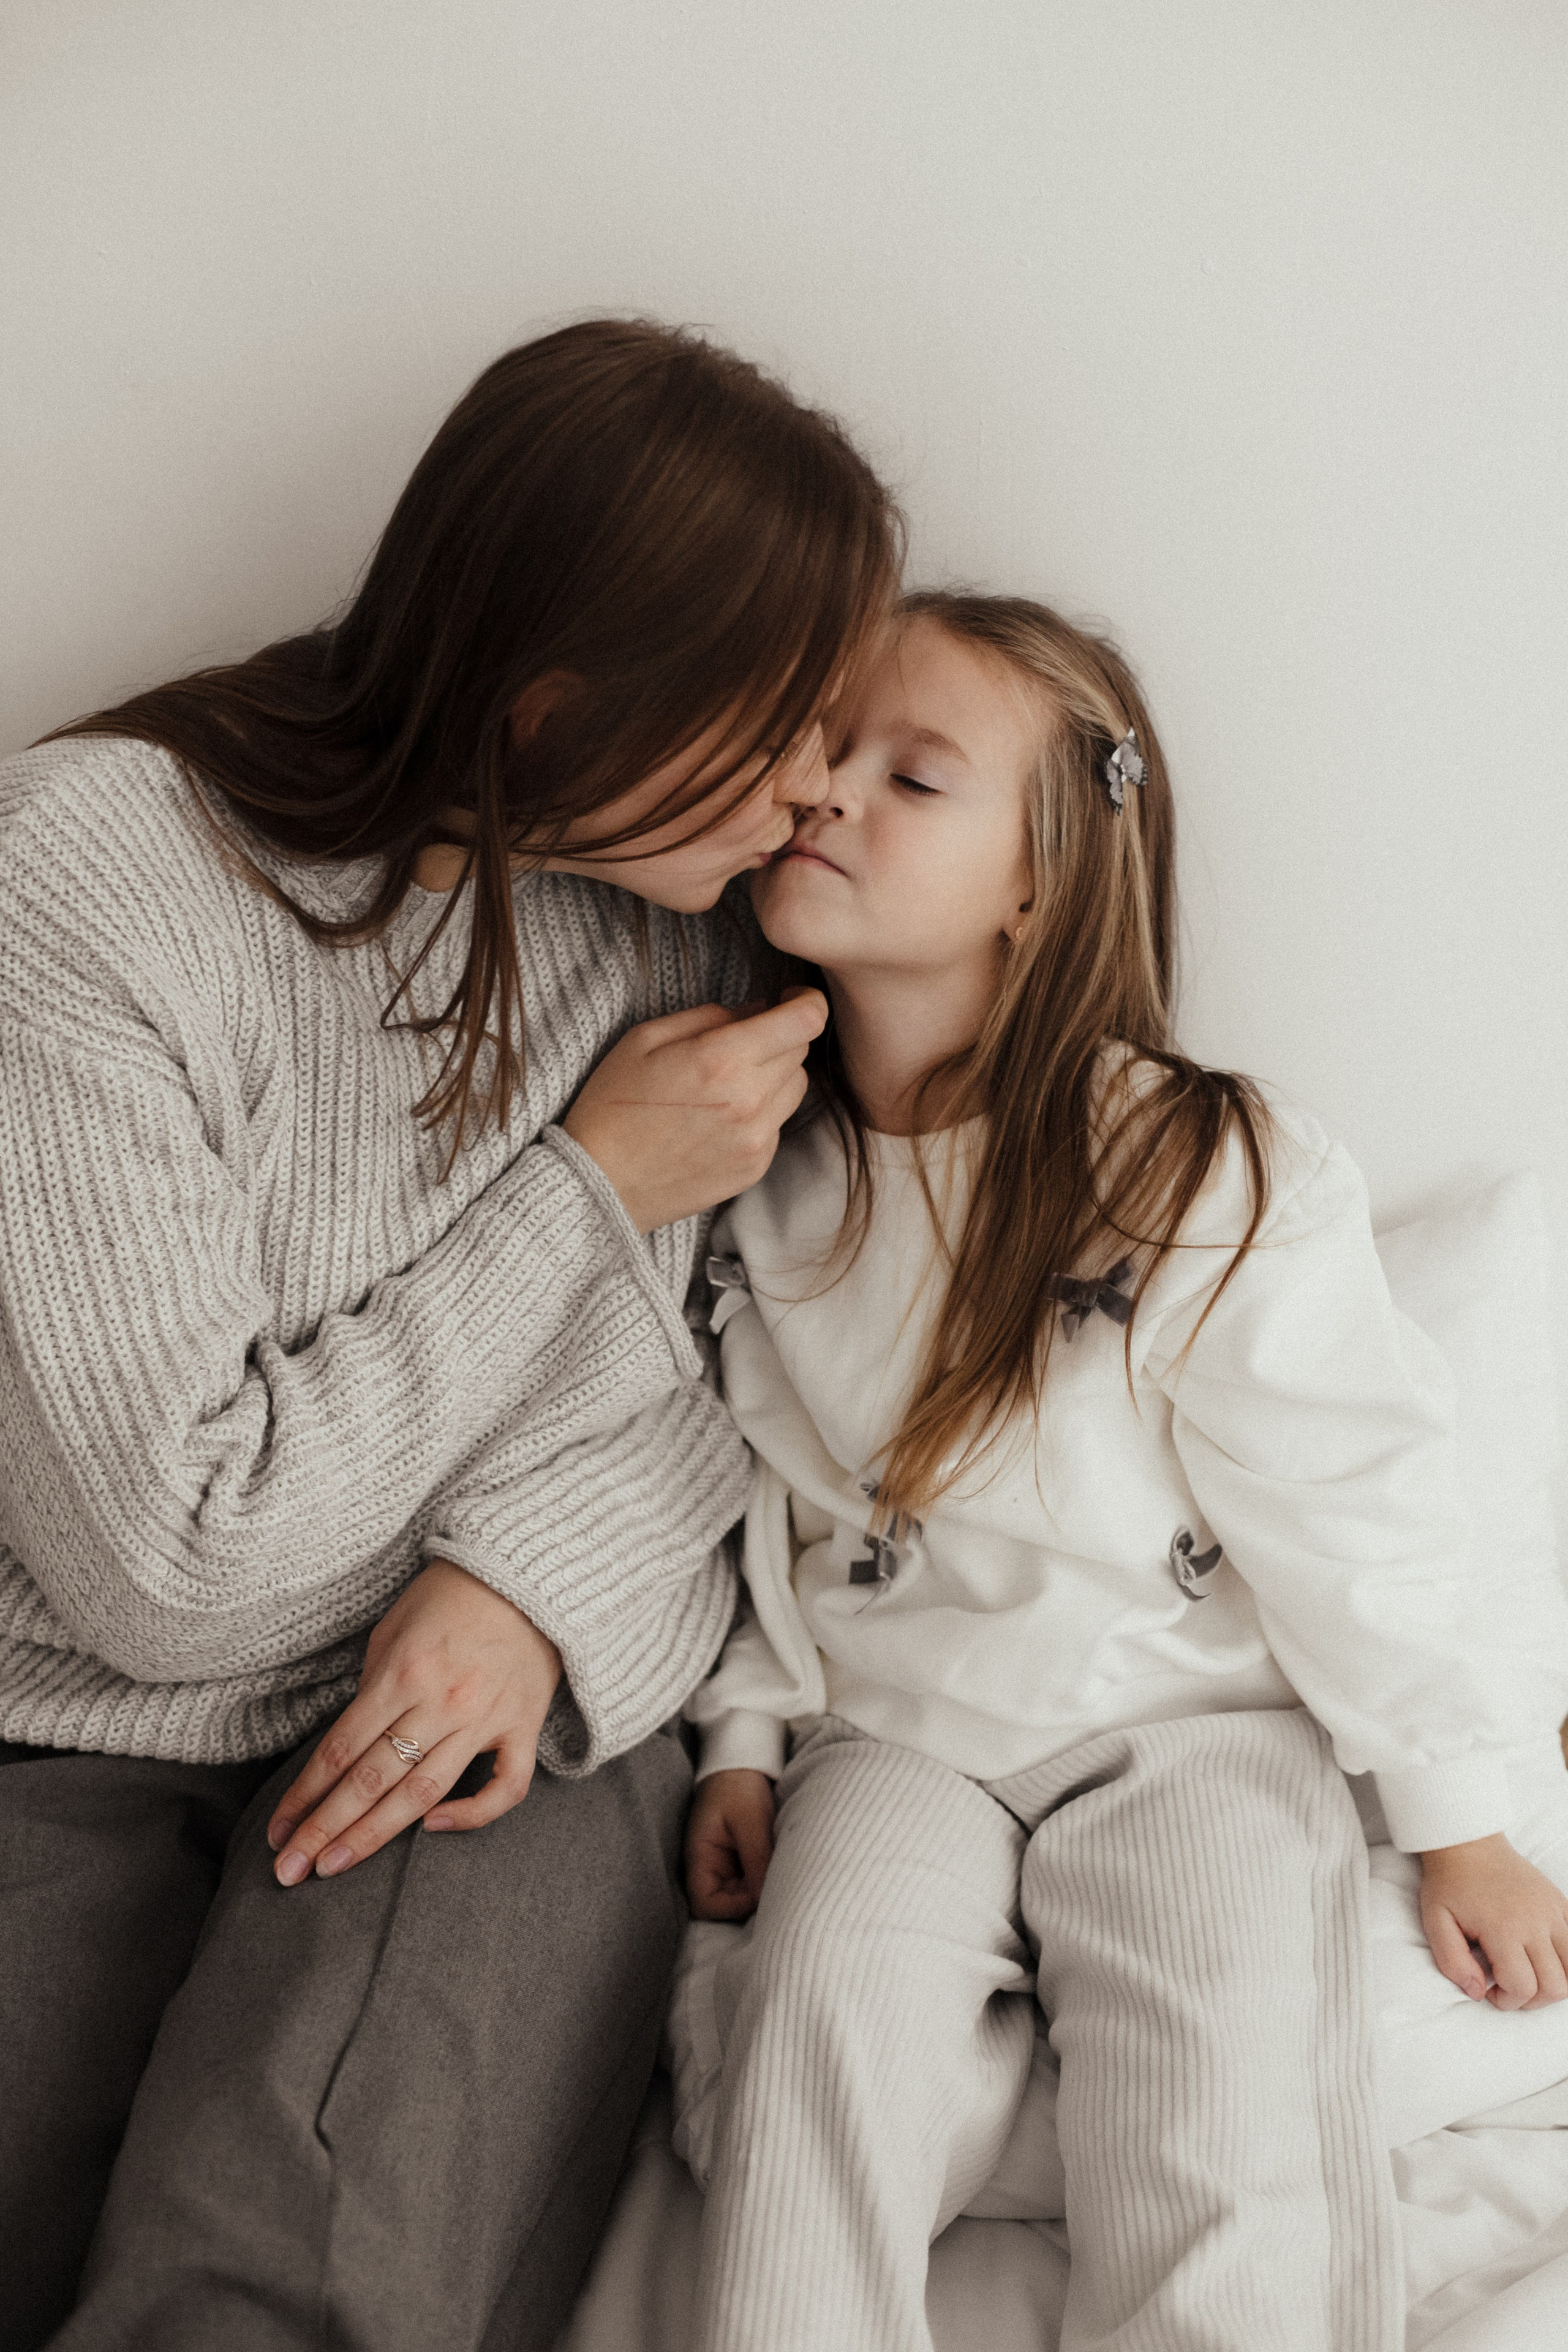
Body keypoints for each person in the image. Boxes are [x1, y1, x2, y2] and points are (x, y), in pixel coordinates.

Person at [0, 317, 902, 2351]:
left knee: (287, 2267)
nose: (819, 790)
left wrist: (528, 1586)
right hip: (85, 1726)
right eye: (776, 728)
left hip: (515, 1722)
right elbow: (176, 1567)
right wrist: (582, 1191)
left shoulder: (702, 924)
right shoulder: (87, 885)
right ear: (560, 710)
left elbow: (725, 1389)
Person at [674, 592, 1568, 2352]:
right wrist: (750, 1734)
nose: (829, 793)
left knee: (1217, 2100)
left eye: (909, 775)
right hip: (906, 1736)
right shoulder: (761, 1174)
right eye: (825, 750)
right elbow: (757, 1500)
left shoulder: (1190, 1161)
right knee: (810, 2036)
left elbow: (1352, 1495)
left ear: (1038, 880)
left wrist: (1461, 1821)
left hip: (1189, 1732)